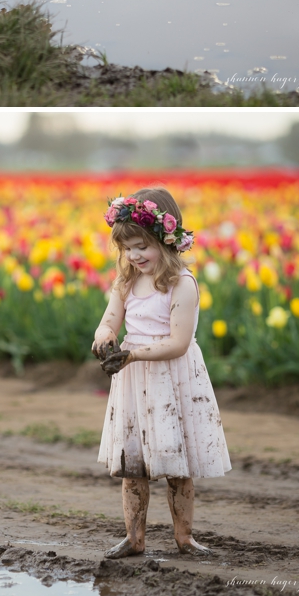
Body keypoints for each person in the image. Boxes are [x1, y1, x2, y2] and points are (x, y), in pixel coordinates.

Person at [92, 188, 230, 558]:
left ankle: (184, 537)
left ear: (166, 240)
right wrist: (105, 336)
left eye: (142, 246)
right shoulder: (125, 283)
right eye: (127, 249)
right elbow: (109, 320)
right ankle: (134, 538)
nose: (134, 256)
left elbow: (178, 343)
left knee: (176, 464)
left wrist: (132, 353)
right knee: (132, 465)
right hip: (134, 380)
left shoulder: (181, 284)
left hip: (172, 378)